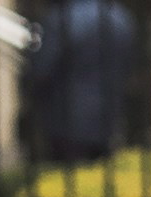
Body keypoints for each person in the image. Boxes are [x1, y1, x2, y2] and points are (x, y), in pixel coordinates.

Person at [22, 0, 141, 166]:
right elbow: (129, 66)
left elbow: (40, 69)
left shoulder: (62, 18)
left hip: (65, 122)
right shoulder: (120, 18)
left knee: (65, 180)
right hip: (109, 118)